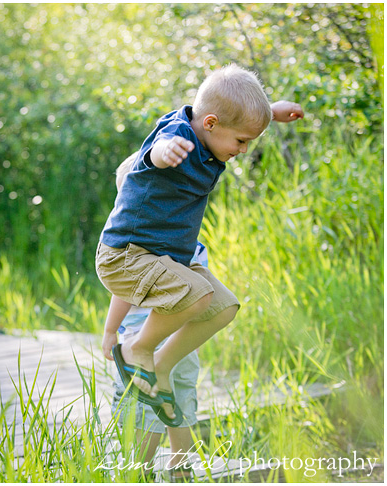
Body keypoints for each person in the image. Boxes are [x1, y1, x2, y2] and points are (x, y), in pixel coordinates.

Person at [96, 64, 304, 428]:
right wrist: (164, 151)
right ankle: (137, 350)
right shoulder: (175, 135)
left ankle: (161, 364)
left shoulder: (214, 127)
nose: (243, 149)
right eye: (242, 142)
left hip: (163, 259)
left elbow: (231, 116)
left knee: (223, 306)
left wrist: (270, 113)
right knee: (198, 294)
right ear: (209, 124)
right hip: (127, 255)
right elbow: (154, 152)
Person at [110, 154, 207, 481]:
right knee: (180, 400)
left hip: (143, 340)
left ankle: (138, 470)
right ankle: (181, 466)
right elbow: (202, 296)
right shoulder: (192, 244)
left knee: (143, 404)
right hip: (179, 342)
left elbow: (122, 293)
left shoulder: (134, 247)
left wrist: (110, 333)